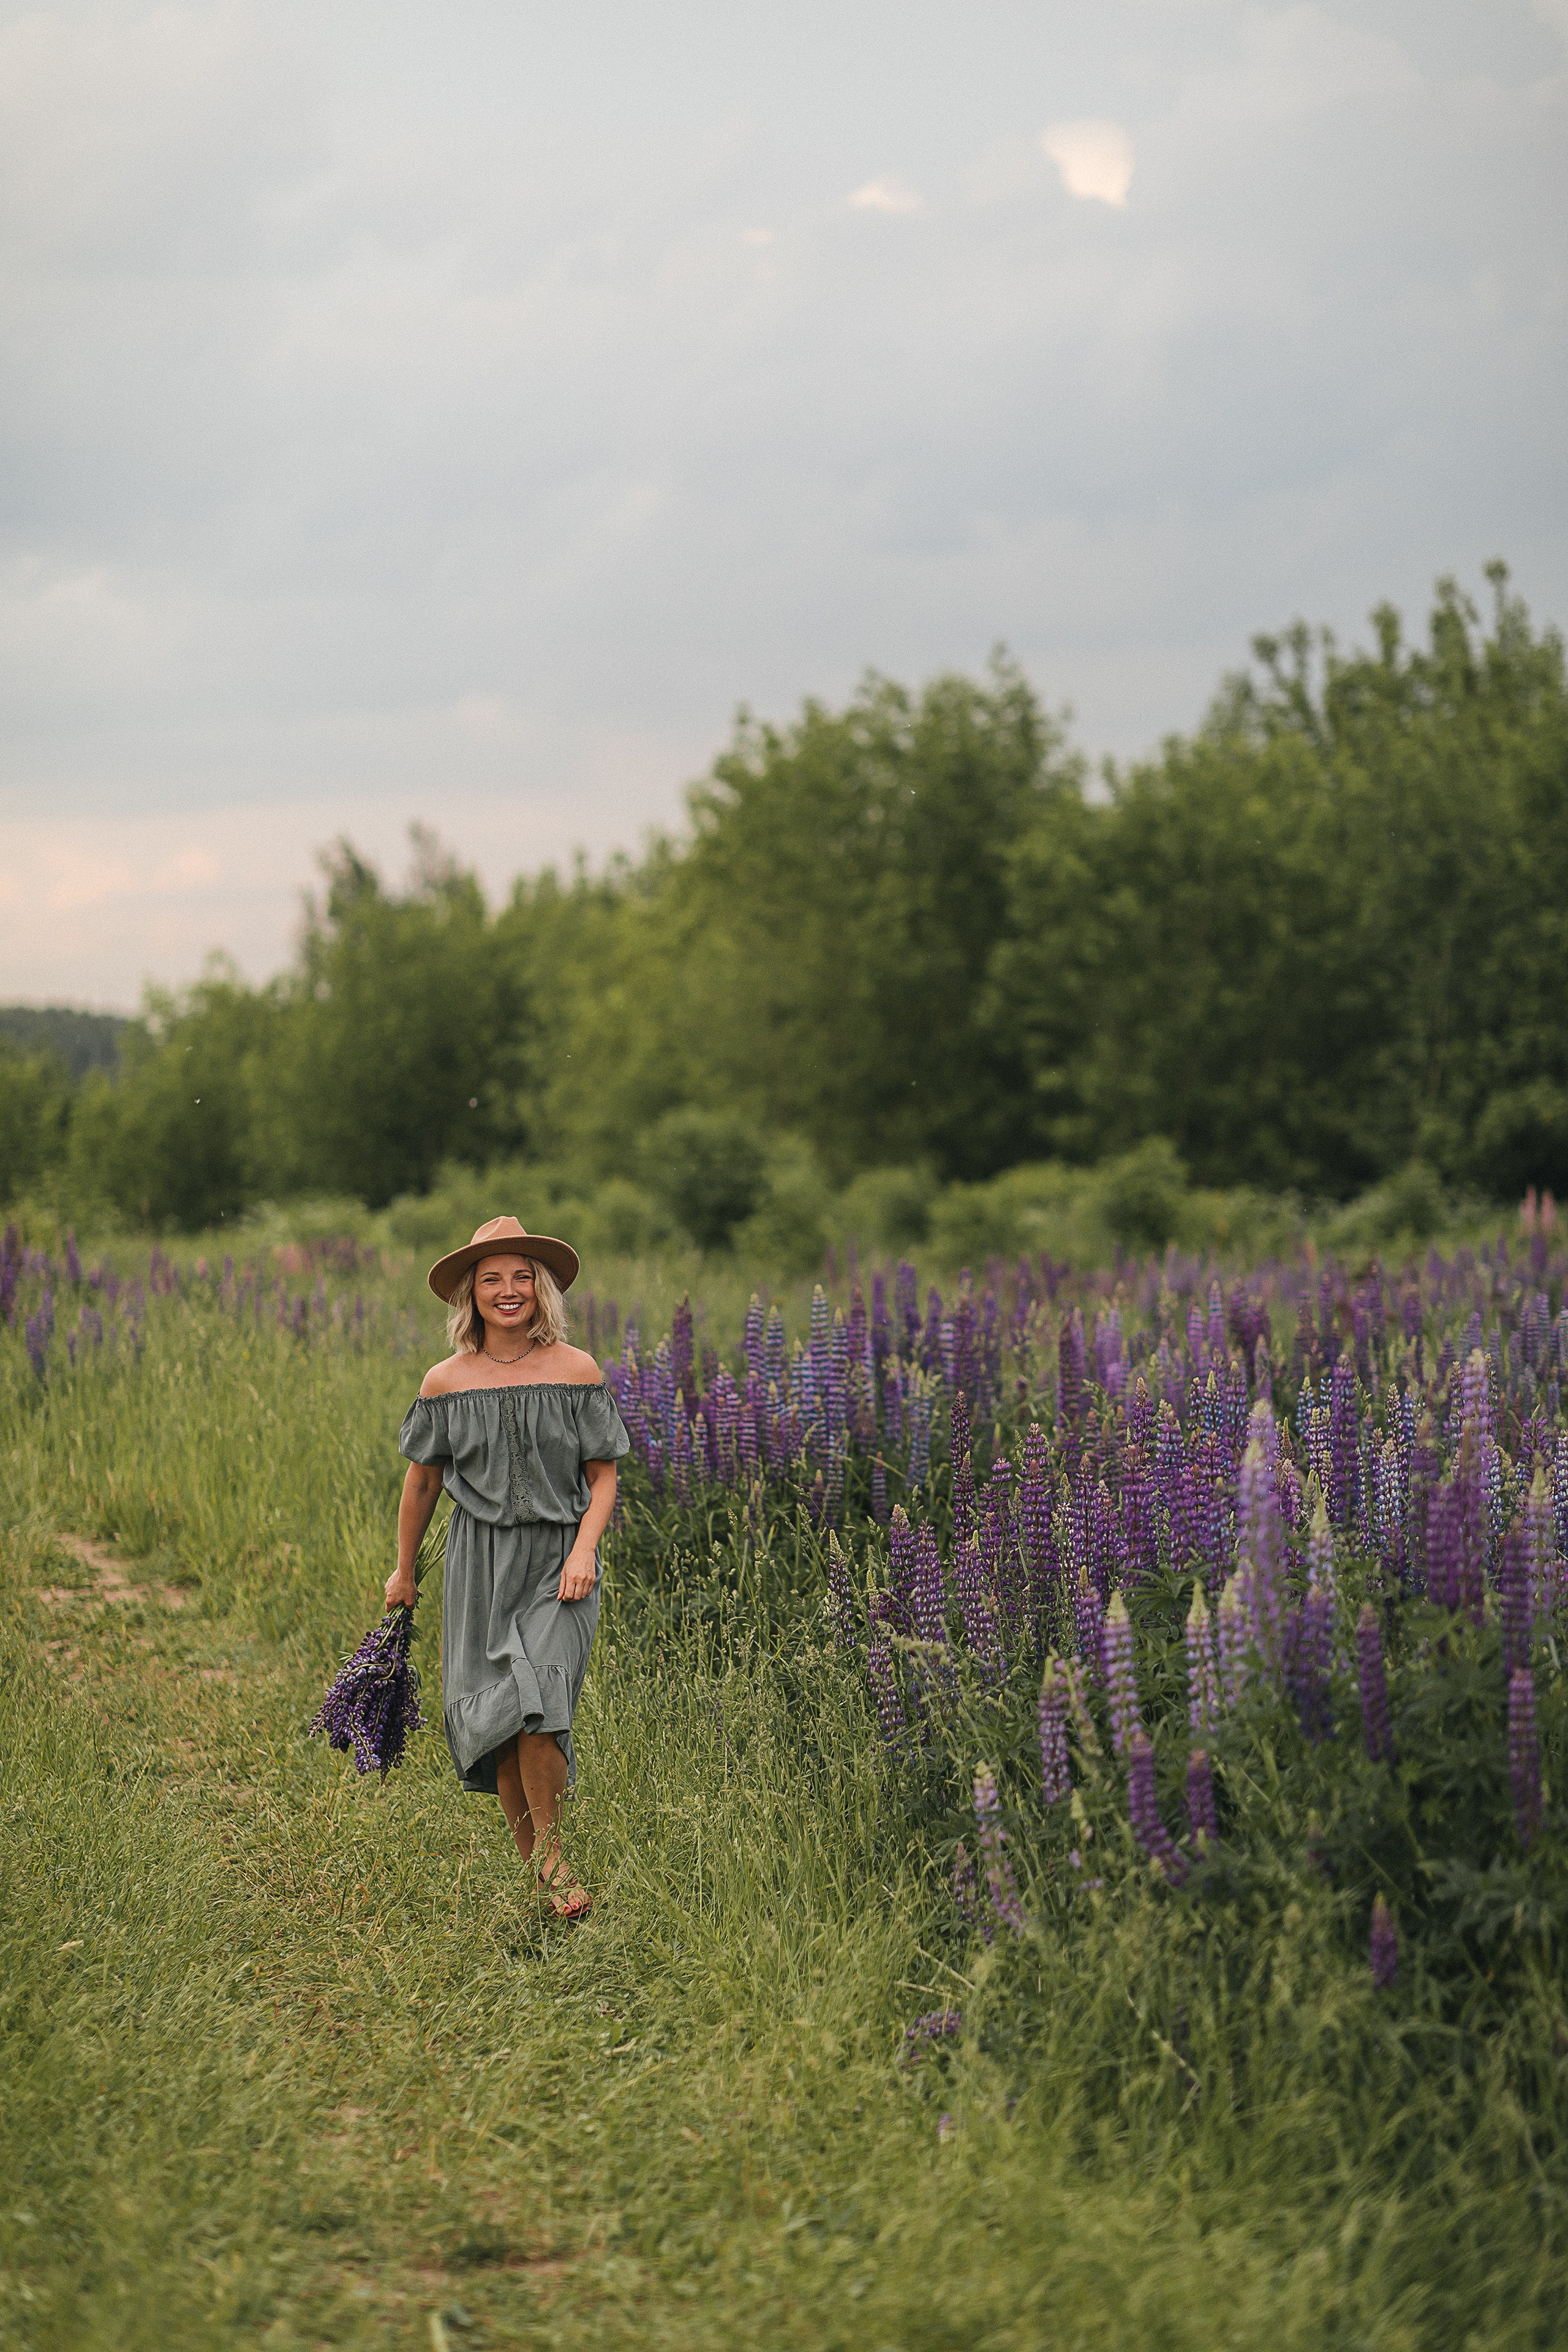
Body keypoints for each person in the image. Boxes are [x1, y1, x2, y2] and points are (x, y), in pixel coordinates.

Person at [386, 1214, 629, 1922]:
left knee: (541, 1697)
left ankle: (552, 1860)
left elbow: (603, 1475)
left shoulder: (576, 1371)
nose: (508, 1290)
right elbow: (423, 1485)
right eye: (491, 1278)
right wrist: (403, 1572)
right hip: (477, 1565)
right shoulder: (445, 1382)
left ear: (541, 1289)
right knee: (499, 1715)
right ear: (471, 1294)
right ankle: (544, 1882)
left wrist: (585, 1548)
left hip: (559, 1561)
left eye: (522, 1276)